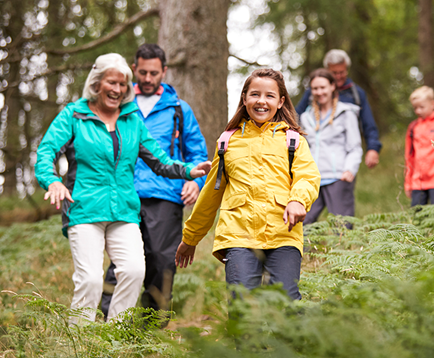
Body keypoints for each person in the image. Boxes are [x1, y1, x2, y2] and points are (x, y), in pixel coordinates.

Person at [34, 53, 211, 323]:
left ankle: (114, 337)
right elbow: (45, 152)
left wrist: (189, 171)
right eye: (111, 83)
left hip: (125, 212)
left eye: (122, 85)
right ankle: (80, 342)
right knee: (91, 280)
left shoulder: (132, 121)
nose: (117, 90)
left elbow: (160, 161)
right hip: (85, 209)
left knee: (133, 271)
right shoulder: (74, 115)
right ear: (96, 83)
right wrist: (53, 181)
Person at [175, 69, 320, 300]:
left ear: (281, 101)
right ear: (244, 98)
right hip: (238, 236)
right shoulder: (227, 142)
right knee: (242, 303)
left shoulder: (293, 141)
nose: (261, 101)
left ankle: (290, 337)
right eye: (255, 94)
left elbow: (307, 176)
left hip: (283, 234)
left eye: (270, 96)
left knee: (286, 301)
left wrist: (297, 200)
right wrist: (190, 238)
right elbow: (211, 194)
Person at [99, 44, 209, 323]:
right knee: (122, 262)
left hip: (166, 195)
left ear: (164, 72)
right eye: (143, 72)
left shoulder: (179, 110)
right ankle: (108, 324)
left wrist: (197, 183)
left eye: (154, 73)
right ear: (134, 69)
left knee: (161, 261)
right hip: (124, 194)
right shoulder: (118, 104)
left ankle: (153, 329)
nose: (148, 78)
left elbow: (198, 155)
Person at [295, 49, 382, 169]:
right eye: (334, 73)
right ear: (327, 70)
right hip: (318, 157)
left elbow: (368, 123)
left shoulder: (356, 93)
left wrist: (373, 148)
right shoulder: (314, 92)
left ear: (347, 69)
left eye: (342, 72)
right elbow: (296, 116)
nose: (338, 76)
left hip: (346, 156)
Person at [300, 69, 363, 226]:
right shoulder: (305, 117)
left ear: (332, 87)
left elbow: (355, 146)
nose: (319, 92)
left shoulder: (346, 113)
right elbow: (303, 149)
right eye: (315, 88)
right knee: (302, 223)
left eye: (323, 87)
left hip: (338, 177)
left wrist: (350, 169)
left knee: (342, 226)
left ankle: (345, 251)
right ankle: (304, 252)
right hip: (312, 179)